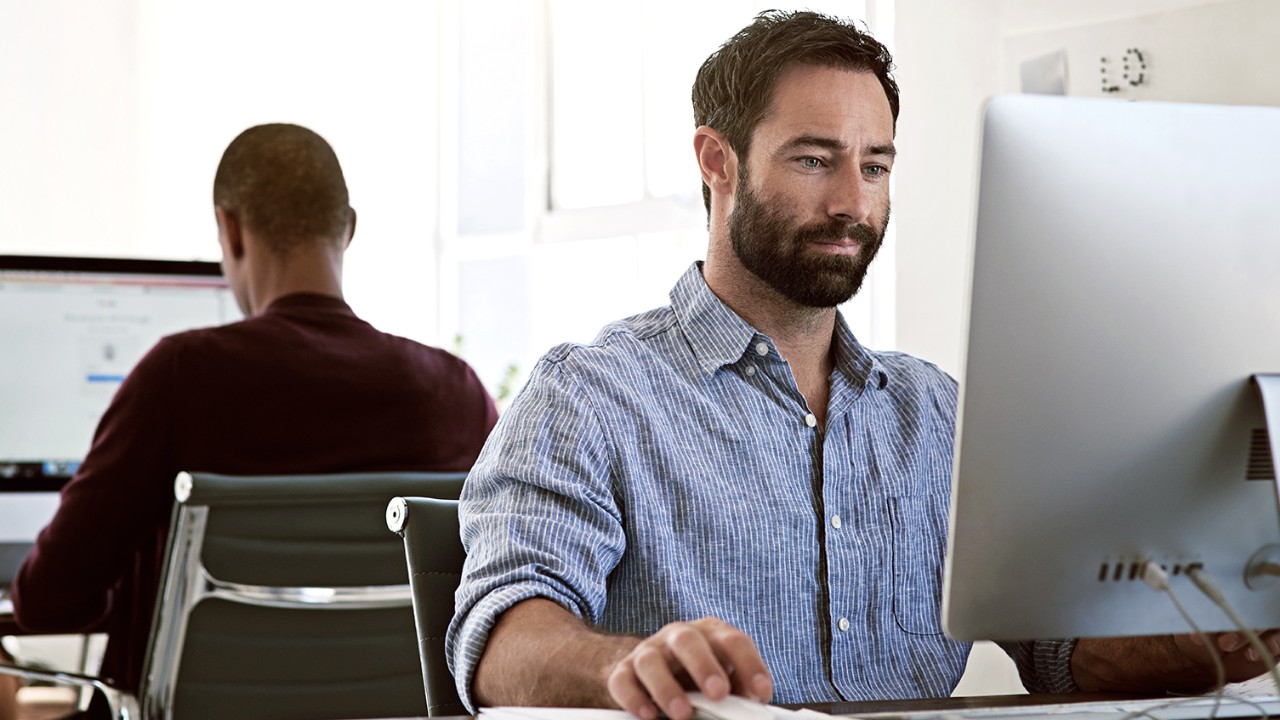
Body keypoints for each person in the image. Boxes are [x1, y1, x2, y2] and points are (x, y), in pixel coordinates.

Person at [446, 10, 1280, 720]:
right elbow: (499, 641)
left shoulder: (940, 412)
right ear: (717, 161)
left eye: (874, 165)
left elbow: (1054, 652)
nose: (853, 202)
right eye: (814, 159)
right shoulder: (589, 397)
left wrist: (1198, 644)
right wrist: (623, 666)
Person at [7, 123, 499, 718]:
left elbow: (48, 601)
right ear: (348, 229)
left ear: (230, 230)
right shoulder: (458, 391)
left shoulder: (179, 376)